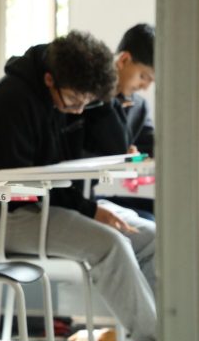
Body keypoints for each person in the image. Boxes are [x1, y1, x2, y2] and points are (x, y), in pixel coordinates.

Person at [0, 30, 158, 341]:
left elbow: (94, 154)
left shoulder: (67, 94)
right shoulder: (12, 100)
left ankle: (168, 333)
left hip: (53, 205)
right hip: (4, 217)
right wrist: (88, 210)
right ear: (50, 79)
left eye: (86, 102)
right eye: (73, 100)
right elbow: (25, 185)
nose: (77, 110)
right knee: (110, 244)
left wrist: (106, 103)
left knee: (150, 236)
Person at [65, 23, 156, 219]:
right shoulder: (85, 97)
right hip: (71, 195)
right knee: (149, 224)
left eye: (151, 81)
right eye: (143, 76)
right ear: (124, 60)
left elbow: (153, 147)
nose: (145, 87)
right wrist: (120, 155)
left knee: (159, 211)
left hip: (96, 193)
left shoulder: (138, 107)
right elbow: (70, 150)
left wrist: (136, 156)